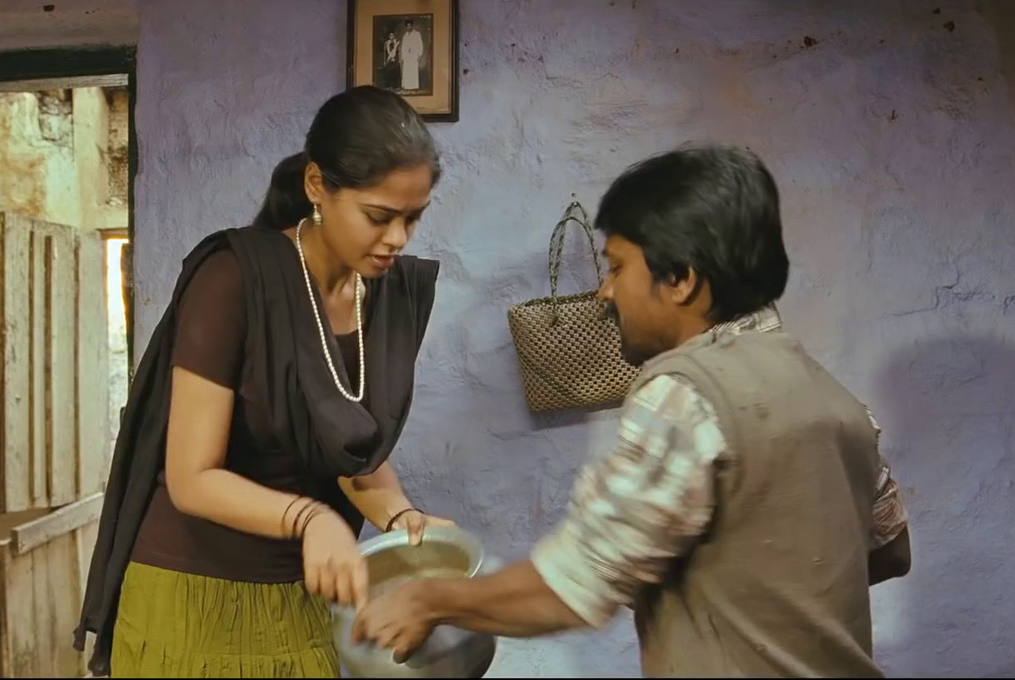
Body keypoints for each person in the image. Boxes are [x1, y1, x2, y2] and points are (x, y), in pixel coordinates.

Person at [351, 144, 914, 677]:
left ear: (682, 281)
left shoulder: (684, 394)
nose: (604, 292)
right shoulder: (839, 401)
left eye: (618, 268)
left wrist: (429, 598)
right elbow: (890, 552)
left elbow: (576, 586)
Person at [74, 86, 456, 678]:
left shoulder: (386, 294)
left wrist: (402, 517)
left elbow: (352, 446)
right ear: (316, 186)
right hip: (195, 593)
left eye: (414, 217)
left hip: (302, 595)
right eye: (379, 216)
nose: (397, 239)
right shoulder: (233, 279)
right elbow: (191, 478)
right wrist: (312, 519)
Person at [400, 20, 425, 91]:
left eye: (410, 25)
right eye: (407, 26)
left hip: (414, 55)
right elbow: (403, 46)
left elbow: (420, 44)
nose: (409, 27)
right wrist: (403, 56)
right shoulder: (405, 36)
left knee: (413, 70)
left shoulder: (417, 34)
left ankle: (414, 86)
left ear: (412, 26)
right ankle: (407, 86)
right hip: (407, 56)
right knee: (407, 70)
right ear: (406, 27)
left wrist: (419, 54)